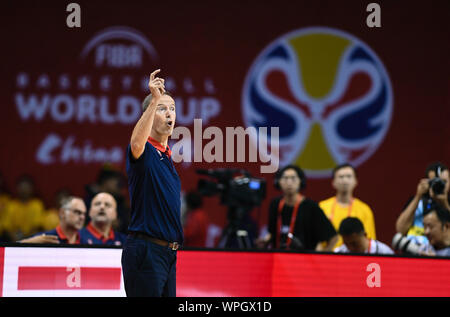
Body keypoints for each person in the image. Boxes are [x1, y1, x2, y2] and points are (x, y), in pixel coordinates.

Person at [121, 69, 183, 297]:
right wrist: (154, 98)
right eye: (162, 108)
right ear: (149, 113)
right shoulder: (145, 152)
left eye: (172, 108)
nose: (170, 113)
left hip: (168, 254)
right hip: (146, 251)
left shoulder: (166, 156)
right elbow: (136, 144)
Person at [259, 165, 338, 251]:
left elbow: (333, 237)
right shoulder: (275, 204)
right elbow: (272, 233)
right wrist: (264, 242)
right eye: (285, 178)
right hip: (279, 258)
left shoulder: (311, 207)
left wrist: (321, 258)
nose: (289, 182)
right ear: (278, 182)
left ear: (301, 181)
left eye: (293, 178)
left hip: (304, 261)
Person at [319, 163, 376, 249]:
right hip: (327, 257)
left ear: (356, 181)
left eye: (349, 176)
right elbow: (316, 240)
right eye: (341, 177)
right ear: (333, 182)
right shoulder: (322, 207)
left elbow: (369, 241)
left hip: (353, 257)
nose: (345, 180)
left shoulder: (364, 209)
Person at [395, 162, 450, 247]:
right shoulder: (418, 201)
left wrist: (445, 203)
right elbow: (400, 229)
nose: (440, 185)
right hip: (415, 252)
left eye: (444, 182)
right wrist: (418, 196)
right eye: (435, 181)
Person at [19, 196, 86, 244]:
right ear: (62, 213)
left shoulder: (87, 240)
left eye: (84, 214)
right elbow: (12, 250)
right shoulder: (44, 238)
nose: (82, 217)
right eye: (77, 212)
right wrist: (31, 243)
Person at [4, 175, 46, 241]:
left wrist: (26, 239)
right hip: (13, 241)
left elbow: (38, 226)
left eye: (27, 187)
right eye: (22, 187)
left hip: (32, 240)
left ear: (32, 188)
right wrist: (15, 239)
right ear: (17, 188)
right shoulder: (11, 205)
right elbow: (6, 228)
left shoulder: (37, 204)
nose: (24, 190)